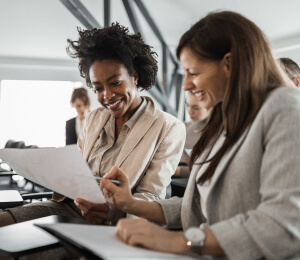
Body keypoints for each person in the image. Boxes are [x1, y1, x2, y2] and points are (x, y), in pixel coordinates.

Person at [100, 11, 300, 259]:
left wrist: (179, 242)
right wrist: (130, 203)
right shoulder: (223, 121)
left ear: (230, 64)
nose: (185, 85)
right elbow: (195, 208)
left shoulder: (286, 106)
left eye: (192, 73)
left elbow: (284, 227)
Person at [0, 23, 185, 235]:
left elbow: (153, 196)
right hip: (70, 208)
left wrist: (114, 211)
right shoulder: (94, 119)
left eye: (115, 83)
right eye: (98, 88)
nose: (106, 95)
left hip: (115, 224)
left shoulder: (168, 127)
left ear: (134, 76)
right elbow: (76, 171)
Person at [174, 91, 209, 178]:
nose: (190, 111)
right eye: (187, 105)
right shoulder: (183, 126)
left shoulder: (214, 133)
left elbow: (206, 170)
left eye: (196, 108)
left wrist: (175, 170)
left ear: (210, 106)